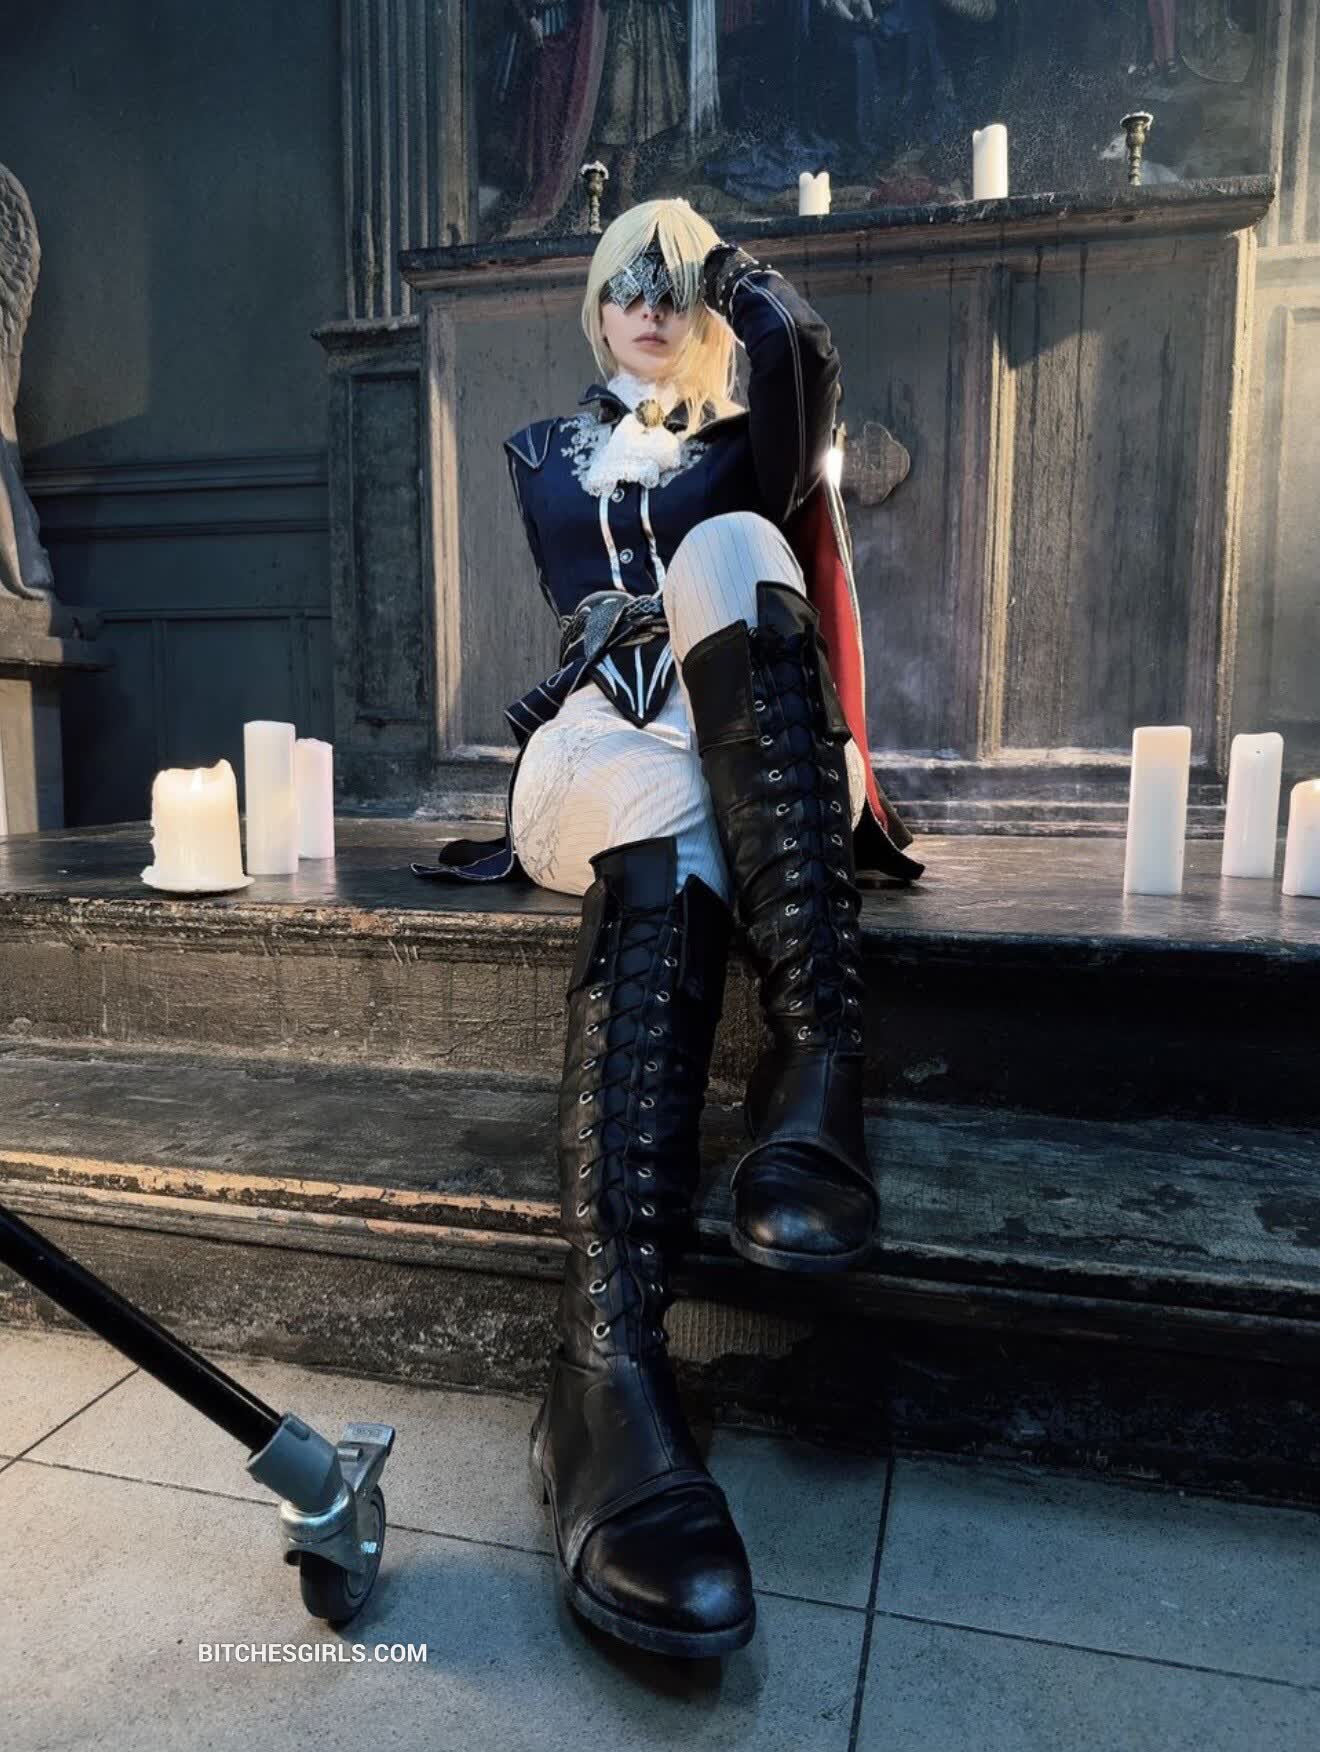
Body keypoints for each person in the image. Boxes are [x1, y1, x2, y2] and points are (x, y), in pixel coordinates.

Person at [412, 197, 923, 1657]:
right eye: (622, 279)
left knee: (740, 550)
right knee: (658, 789)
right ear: (591, 305)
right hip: (595, 744)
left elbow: (798, 369)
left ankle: (808, 1066)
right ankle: (612, 1350)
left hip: (732, 742)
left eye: (672, 280)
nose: (646, 301)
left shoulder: (751, 446)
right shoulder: (545, 454)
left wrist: (731, 273)